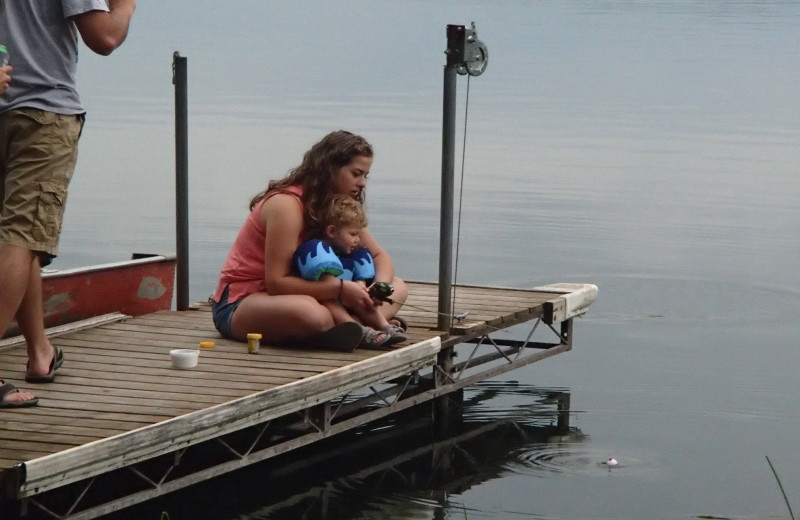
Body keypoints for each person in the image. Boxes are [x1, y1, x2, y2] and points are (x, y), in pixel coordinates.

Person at [0, 1, 137, 407]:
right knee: (21, 237)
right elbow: (105, 36)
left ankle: (40, 351)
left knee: (19, 240)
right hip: (44, 111)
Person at [211, 130, 408, 350]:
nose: (362, 183)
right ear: (330, 169)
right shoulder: (286, 205)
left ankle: (354, 328)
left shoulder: (338, 207)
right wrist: (341, 289)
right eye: (356, 174)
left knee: (397, 287)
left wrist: (377, 289)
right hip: (246, 301)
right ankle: (358, 325)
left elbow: (379, 256)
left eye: (365, 176)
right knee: (312, 313)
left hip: (317, 294)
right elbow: (277, 284)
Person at [293, 194, 408, 348]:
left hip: (348, 296)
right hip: (329, 296)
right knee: (329, 300)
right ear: (332, 231)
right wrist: (344, 289)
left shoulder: (349, 253)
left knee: (364, 297)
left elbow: (375, 262)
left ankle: (383, 325)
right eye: (353, 234)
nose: (358, 240)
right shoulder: (319, 252)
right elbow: (329, 286)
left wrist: (362, 285)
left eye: (359, 235)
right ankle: (356, 329)